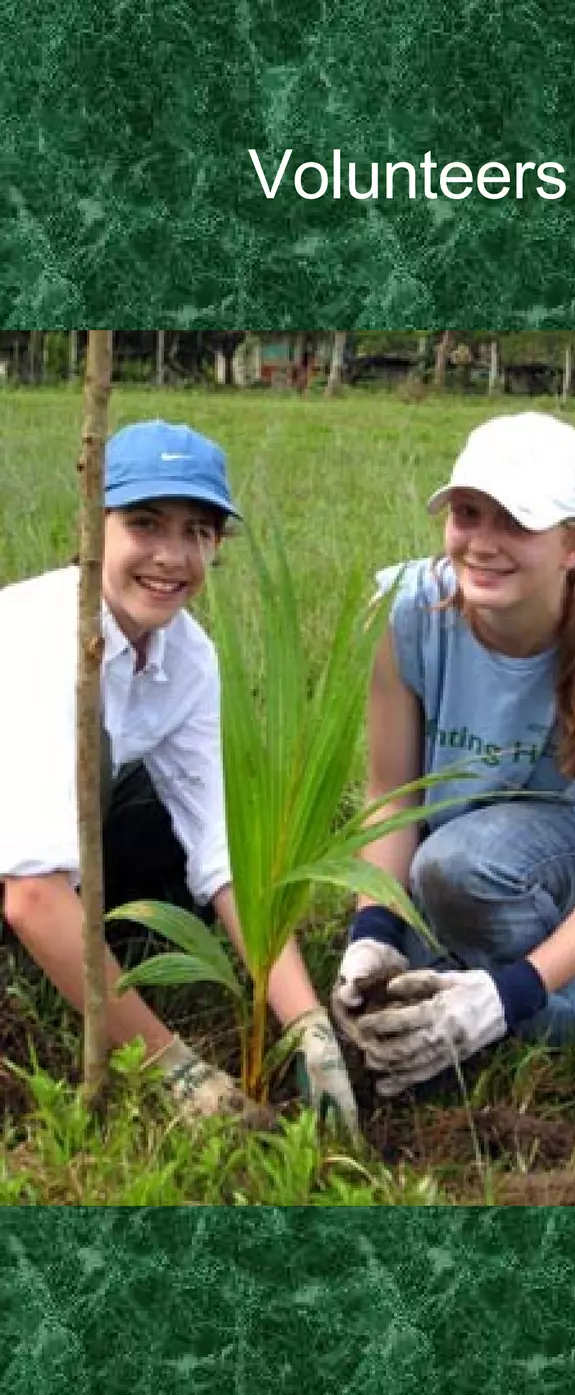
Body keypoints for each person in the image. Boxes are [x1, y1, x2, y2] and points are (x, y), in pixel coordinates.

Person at [0, 421, 354, 1127]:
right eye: (144, 523)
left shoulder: (188, 655)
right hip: (24, 877)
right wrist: (177, 1070)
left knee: (163, 826)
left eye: (198, 530)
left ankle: (90, 956)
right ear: (95, 527)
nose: (171, 555)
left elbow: (222, 849)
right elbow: (32, 894)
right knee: (85, 793)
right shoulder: (42, 638)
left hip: (41, 857)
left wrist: (309, 1025)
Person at [331, 413, 575, 1095]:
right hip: (442, 847)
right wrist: (371, 930)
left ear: (572, 544)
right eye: (467, 513)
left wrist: (505, 996)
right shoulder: (407, 611)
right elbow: (393, 795)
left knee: (457, 865)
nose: (482, 544)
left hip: (567, 857)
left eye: (515, 522)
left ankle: (562, 1009)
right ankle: (463, 977)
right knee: (402, 1003)